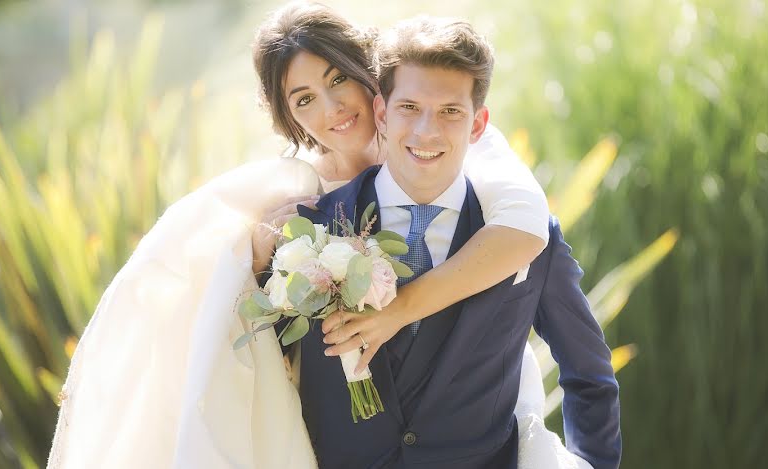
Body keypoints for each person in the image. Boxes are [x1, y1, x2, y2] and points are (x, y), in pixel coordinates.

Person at [45, 3, 578, 469]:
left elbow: (528, 229)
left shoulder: (445, 136)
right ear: (288, 116)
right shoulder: (300, 200)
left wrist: (397, 310)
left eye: (337, 79)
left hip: (475, 413)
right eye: (303, 100)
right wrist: (263, 256)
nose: (332, 109)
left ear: (367, 71)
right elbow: (256, 324)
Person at [294, 15, 620, 469]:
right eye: (409, 108)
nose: (427, 131)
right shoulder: (306, 233)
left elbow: (589, 375)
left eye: (450, 111)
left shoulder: (529, 239)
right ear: (382, 113)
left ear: (478, 124)